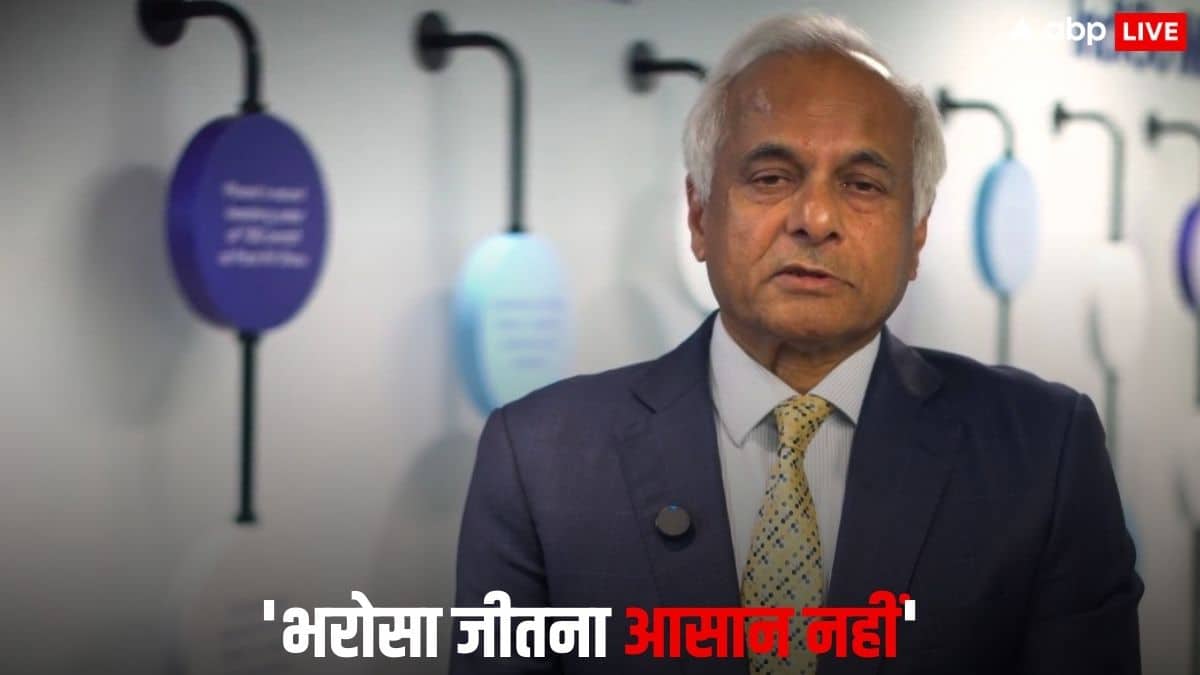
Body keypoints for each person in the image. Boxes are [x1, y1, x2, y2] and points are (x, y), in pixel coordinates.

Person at [451, 13, 1142, 675]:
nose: (814, 219)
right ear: (699, 214)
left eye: (862, 184)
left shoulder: (1044, 453)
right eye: (771, 178)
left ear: (917, 235)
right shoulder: (539, 459)